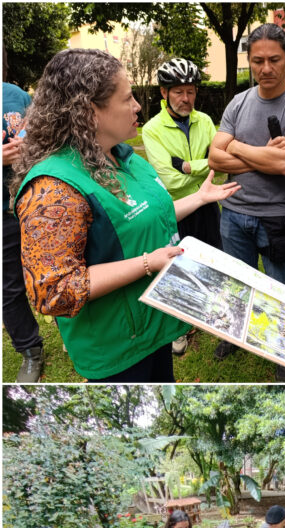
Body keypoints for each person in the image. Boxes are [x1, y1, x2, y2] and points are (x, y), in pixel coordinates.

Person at [11, 48, 238, 382]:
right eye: (128, 98)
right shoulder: (53, 188)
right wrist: (148, 263)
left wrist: (200, 198)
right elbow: (53, 290)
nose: (138, 107)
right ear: (89, 112)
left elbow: (141, 218)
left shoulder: (123, 158)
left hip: (153, 325)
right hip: (116, 347)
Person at [209, 23, 285, 379]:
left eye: (274, 59)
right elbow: (214, 158)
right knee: (237, 282)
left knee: (280, 287)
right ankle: (237, 335)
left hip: (278, 217)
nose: (266, 68)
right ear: (249, 61)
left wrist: (236, 146)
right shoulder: (238, 103)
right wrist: (260, 155)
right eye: (258, 61)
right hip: (234, 210)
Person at [141, 58, 221, 357]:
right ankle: (180, 325)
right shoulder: (151, 130)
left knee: (213, 257)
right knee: (178, 264)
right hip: (176, 208)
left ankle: (211, 311)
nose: (186, 98)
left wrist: (188, 165)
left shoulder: (206, 121)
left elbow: (221, 162)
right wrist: (204, 165)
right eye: (178, 92)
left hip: (209, 204)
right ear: (164, 93)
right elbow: (169, 180)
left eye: (191, 91)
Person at [3, 49, 45, 381]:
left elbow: (41, 134)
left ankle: (79, 335)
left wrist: (27, 147)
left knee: (55, 272)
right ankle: (31, 351)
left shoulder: (15, 94)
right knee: (11, 286)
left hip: (30, 200)